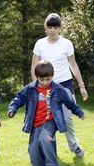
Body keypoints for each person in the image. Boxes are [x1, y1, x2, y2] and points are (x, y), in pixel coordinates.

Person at [8, 60, 85, 166]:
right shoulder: (30, 89)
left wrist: (79, 112)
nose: (45, 82)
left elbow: (69, 103)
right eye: (42, 79)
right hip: (35, 124)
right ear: (37, 77)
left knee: (45, 139)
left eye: (48, 79)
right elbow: (19, 98)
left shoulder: (58, 89)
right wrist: (12, 109)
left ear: (52, 77)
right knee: (33, 151)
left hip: (50, 122)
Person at [31, 13, 88, 158]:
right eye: (50, 27)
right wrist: (36, 86)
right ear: (45, 27)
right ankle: (49, 150)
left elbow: (73, 65)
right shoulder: (40, 44)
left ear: (60, 28)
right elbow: (34, 67)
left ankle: (74, 146)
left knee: (67, 118)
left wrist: (81, 85)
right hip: (45, 85)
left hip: (64, 85)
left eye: (55, 27)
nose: (52, 30)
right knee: (48, 119)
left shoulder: (67, 43)